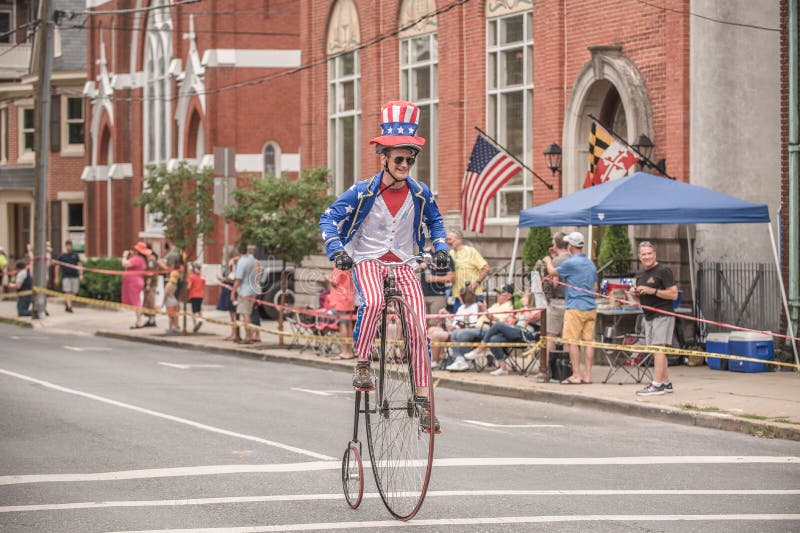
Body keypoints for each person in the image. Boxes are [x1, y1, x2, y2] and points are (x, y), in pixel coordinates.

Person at [318, 99, 449, 434]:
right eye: (400, 159)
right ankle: (363, 363)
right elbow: (329, 218)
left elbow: (436, 223)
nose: (406, 164)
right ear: (385, 158)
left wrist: (442, 248)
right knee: (374, 301)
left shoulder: (420, 193)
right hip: (368, 260)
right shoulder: (362, 192)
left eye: (410, 158)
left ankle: (422, 400)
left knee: (418, 324)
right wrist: (337, 250)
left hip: (405, 263)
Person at [544, 231, 597, 384]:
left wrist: (548, 260)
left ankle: (576, 375)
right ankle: (587, 375)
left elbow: (552, 272)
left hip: (575, 307)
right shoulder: (590, 262)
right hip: (591, 307)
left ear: (571, 246)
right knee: (588, 342)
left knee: (571, 341)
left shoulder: (571, 262)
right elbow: (595, 286)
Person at [631, 241, 678, 396]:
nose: (647, 257)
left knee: (658, 348)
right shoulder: (640, 274)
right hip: (648, 315)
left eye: (649, 253)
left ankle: (656, 384)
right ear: (639, 256)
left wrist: (652, 291)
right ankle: (665, 382)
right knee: (655, 350)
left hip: (663, 313)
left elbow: (673, 294)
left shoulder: (664, 271)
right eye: (643, 254)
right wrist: (634, 295)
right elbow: (640, 302)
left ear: (655, 254)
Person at [464, 290, 540, 376]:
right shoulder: (521, 310)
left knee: (498, 325)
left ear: (530, 299)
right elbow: (510, 323)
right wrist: (510, 319)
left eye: (524, 297)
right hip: (516, 333)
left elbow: (529, 317)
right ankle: (503, 368)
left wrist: (525, 306)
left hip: (527, 335)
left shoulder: (537, 310)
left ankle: (479, 350)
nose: (521, 299)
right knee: (494, 339)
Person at [446, 284, 517, 372]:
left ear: (509, 296)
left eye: (501, 293)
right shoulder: (496, 305)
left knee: (462, 334)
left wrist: (484, 310)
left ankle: (467, 361)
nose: (498, 295)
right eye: (497, 293)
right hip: (477, 327)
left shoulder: (508, 307)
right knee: (455, 333)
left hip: (489, 330)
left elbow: (499, 323)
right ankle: (460, 359)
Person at [535, 231, 570, 383]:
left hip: (556, 303)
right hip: (571, 302)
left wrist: (548, 262)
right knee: (569, 338)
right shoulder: (574, 259)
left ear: (555, 244)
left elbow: (554, 284)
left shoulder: (555, 262)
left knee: (550, 336)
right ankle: (568, 370)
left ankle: (546, 369)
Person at [427, 286, 479, 369]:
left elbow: (471, 323)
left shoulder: (474, 307)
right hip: (453, 328)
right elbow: (455, 319)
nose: (458, 298)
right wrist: (446, 314)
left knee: (436, 335)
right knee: (431, 330)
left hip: (460, 331)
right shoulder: (462, 307)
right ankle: (439, 357)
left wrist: (454, 326)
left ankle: (434, 361)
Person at [446, 229, 490, 310]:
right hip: (458, 297)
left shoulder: (471, 251)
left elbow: (486, 268)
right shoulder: (450, 254)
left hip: (473, 295)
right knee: (458, 322)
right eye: (446, 239)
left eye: (450, 239)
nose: (447, 242)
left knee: (473, 322)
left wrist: (475, 284)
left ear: (459, 239)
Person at [327, 266, 357, 359]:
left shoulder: (339, 266)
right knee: (348, 324)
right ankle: (349, 351)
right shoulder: (351, 266)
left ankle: (345, 352)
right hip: (349, 298)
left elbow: (335, 282)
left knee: (343, 324)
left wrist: (327, 278)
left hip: (340, 299)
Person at [419, 245, 454, 319]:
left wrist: (434, 278)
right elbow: (409, 268)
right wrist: (419, 266)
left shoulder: (445, 256)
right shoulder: (424, 253)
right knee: (423, 325)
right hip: (422, 296)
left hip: (438, 296)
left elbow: (451, 278)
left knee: (435, 324)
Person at [232, 243, 258, 344]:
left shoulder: (241, 262)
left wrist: (233, 292)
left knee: (245, 314)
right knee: (249, 313)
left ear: (238, 251)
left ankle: (248, 336)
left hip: (244, 291)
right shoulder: (251, 258)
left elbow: (238, 279)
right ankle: (250, 335)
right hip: (252, 289)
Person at [122, 242, 151, 329]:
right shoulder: (142, 259)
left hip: (133, 282)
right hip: (138, 281)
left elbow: (125, 264)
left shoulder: (137, 259)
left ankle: (139, 321)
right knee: (136, 301)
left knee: (136, 302)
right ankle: (138, 320)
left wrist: (124, 256)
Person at [217, 249, 240, 341]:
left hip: (232, 291)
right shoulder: (229, 265)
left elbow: (234, 280)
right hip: (228, 291)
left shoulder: (235, 265)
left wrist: (222, 278)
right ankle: (233, 333)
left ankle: (235, 334)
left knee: (234, 313)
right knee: (231, 314)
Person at [55, 240, 83, 313]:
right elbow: (57, 267)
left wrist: (81, 274)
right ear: (65, 246)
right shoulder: (61, 256)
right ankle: (70, 307)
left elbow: (79, 265)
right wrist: (56, 277)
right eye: (68, 245)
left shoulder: (75, 255)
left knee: (74, 292)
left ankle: (67, 303)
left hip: (75, 276)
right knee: (67, 291)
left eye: (70, 245)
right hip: (66, 276)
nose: (69, 247)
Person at [142, 244, 160, 327]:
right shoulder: (150, 258)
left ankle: (152, 320)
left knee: (151, 301)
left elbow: (150, 272)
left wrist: (148, 283)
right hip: (150, 283)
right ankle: (150, 319)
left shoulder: (151, 259)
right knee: (148, 301)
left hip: (151, 283)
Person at [187, 263, 206, 333]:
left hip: (193, 295)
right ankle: (200, 319)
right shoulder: (202, 277)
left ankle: (196, 323)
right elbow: (203, 285)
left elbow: (189, 286)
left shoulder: (191, 277)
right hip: (200, 295)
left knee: (194, 311)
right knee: (199, 309)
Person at [163, 270, 181, 334]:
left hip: (169, 302)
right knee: (175, 316)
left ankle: (170, 328)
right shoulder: (175, 285)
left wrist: (163, 303)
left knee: (170, 317)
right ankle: (176, 327)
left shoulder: (168, 285)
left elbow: (165, 294)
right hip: (175, 301)